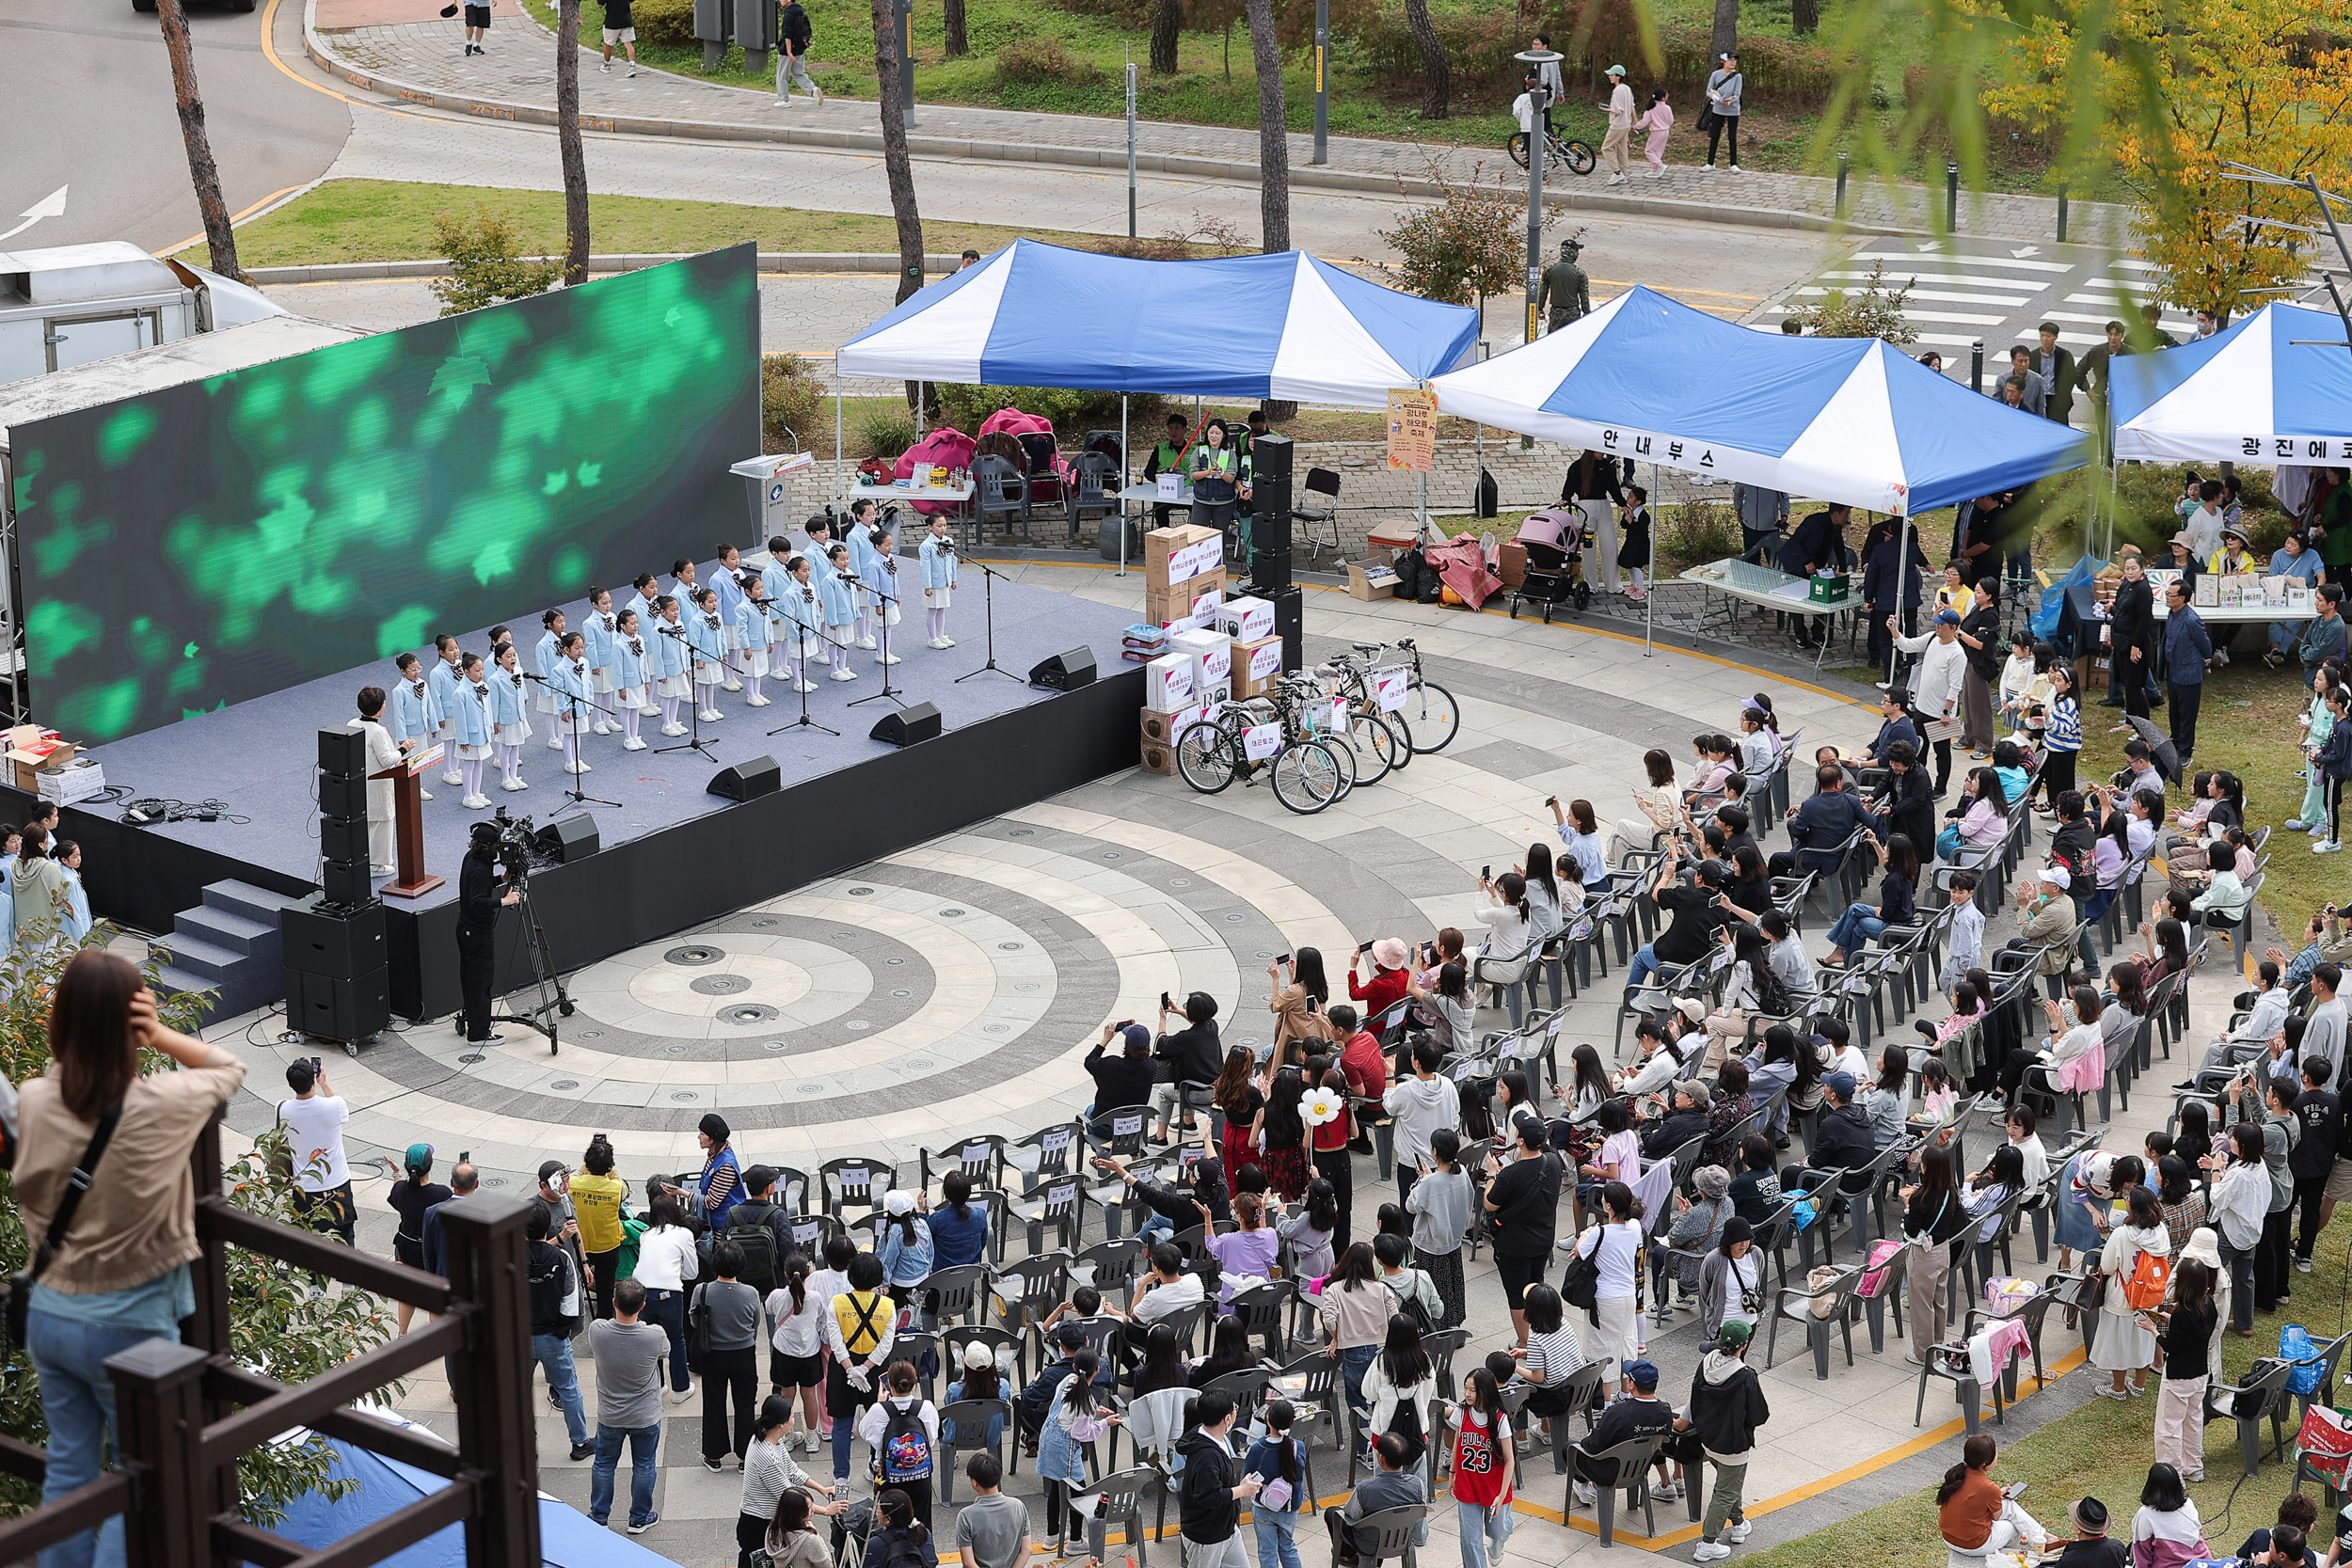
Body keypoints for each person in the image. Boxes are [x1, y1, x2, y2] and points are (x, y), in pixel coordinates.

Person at [14, 954, 245, 1566]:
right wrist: (161, 1032)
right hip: (133, 1326)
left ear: (61, 1022)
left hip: (50, 1312)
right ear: (132, 1024)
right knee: (138, 1484)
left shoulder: (35, 1100)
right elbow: (228, 1065)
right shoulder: (163, 1103)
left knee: (68, 1468)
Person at [1680, 1318, 1768, 1561]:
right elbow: (1759, 1414)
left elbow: (1694, 1397)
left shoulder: (1705, 1364)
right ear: (1745, 1344)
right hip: (1733, 1445)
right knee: (1724, 1491)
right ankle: (1707, 1544)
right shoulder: (1746, 1376)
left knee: (1730, 1485)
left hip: (1707, 1439)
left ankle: (1738, 1524)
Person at [589, 1278, 672, 1534]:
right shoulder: (654, 1335)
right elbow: (666, 1352)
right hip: (645, 1415)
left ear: (614, 1302)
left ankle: (599, 1516)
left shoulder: (597, 1331)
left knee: (603, 1464)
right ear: (643, 1305)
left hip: (610, 1415)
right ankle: (639, 1517)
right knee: (645, 1464)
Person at [1485, 1116, 1565, 1344]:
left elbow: (1490, 1203)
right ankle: (1541, 1337)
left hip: (1514, 1244)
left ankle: (1525, 1343)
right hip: (1543, 1239)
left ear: (1520, 1140)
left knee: (1517, 1296)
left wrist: (1492, 1175)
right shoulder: (1553, 1162)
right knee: (1536, 1288)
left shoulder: (1512, 1173)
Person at [525, 1206, 595, 1462]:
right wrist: (562, 1330)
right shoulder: (562, 1257)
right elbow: (571, 1298)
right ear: (547, 1229)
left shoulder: (507, 1257)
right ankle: (580, 1442)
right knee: (568, 1389)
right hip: (553, 1336)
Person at [694, 1240, 765, 1472]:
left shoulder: (702, 1290)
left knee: (713, 1403)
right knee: (745, 1404)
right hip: (744, 1353)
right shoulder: (750, 1293)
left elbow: (694, 1320)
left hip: (713, 1353)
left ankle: (714, 1456)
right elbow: (755, 1324)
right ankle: (745, 1457)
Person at [1569, 1359, 1677, 1507]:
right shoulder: (1665, 1411)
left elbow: (1593, 1446)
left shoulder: (1617, 1413)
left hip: (1610, 1472)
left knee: (1569, 1448)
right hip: (1641, 1469)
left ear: (1631, 1385)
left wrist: (1588, 1438)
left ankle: (1589, 1489)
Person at [277, 1056, 355, 1248]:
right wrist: (324, 1084)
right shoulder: (335, 1105)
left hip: (304, 1187)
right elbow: (341, 1113)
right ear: (314, 1080)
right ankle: (348, 1278)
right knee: (345, 1238)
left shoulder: (282, 1108)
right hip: (337, 1183)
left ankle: (311, 1278)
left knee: (309, 1245)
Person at [454, 820, 519, 1046]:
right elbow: (478, 901)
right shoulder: (481, 869)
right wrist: (505, 900)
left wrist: (500, 880)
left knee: (471, 980)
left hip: (466, 929)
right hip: (477, 933)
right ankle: (478, 1034)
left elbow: (477, 887)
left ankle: (476, 1020)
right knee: (481, 983)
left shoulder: (472, 858)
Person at [1180, 1391, 1262, 1568]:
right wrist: (1243, 1490)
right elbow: (1210, 1496)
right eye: (1235, 1409)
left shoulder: (1214, 1437)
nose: (1236, 1412)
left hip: (1227, 1528)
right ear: (1227, 1419)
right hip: (1206, 1537)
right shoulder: (1206, 1457)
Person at [2153, 1257, 2216, 1480]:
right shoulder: (2209, 1305)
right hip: (2200, 1373)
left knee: (2169, 1427)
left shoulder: (2182, 1313)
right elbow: (2195, 1332)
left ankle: (2173, 1473)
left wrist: (2153, 1330)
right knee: (2193, 1421)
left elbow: (2172, 1346)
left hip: (2178, 1377)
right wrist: (2169, 1319)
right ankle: (2193, 1467)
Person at [860, 1361, 941, 1529]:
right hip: (921, 1476)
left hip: (891, 1477)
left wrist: (879, 1403)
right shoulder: (926, 1407)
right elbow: (931, 1440)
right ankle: (923, 1551)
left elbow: (867, 1435)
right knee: (922, 1522)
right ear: (915, 1381)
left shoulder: (879, 1410)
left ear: (889, 1384)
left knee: (891, 1522)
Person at [1939, 1433, 2049, 1557]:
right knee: (2014, 1526)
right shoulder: (1988, 1487)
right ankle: (2012, 1560)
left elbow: (1971, 1500)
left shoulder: (1956, 1474)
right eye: (1995, 1454)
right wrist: (1997, 1495)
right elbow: (1997, 1517)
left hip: (1949, 1538)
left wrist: (1998, 1495)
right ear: (1984, 1463)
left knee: (2009, 1505)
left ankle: (2043, 1537)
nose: (1997, 1456)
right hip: (1973, 1545)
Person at [1327, 1432, 1423, 1567]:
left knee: (1332, 1513)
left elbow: (1351, 1516)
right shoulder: (1417, 1484)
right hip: (1403, 1539)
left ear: (1381, 1459)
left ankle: (1348, 1556)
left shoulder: (1364, 1488)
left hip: (1369, 1545)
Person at [1151, 991, 1223, 1142]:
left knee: (1165, 1092)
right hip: (1217, 1088)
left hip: (1199, 1094)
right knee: (1188, 1078)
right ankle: (1188, 1123)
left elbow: (1161, 1044)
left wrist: (1162, 1020)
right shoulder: (1212, 1026)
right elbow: (1197, 1021)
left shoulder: (1186, 1038)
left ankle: (1160, 1138)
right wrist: (1178, 1011)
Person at [2160, 577, 2212, 764]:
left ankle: (2185, 751)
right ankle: (2175, 742)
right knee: (2174, 711)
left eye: (2170, 595)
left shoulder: (2191, 619)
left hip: (2189, 674)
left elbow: (2204, 643)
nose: (2167, 597)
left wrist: (2206, 662)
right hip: (2173, 671)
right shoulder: (2172, 614)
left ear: (2182, 598)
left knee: (2187, 714)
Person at [952, 1452, 1028, 1568]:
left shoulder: (965, 1516)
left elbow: (968, 1563)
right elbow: (1027, 1549)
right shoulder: (1018, 1506)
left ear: (974, 1482)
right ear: (999, 1476)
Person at [2131, 1463, 2203, 1568]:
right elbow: (2200, 1532)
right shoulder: (2189, 1504)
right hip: (2202, 1562)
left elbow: (2142, 1553)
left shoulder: (2145, 1514)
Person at [1702, 52, 1742, 169]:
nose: (1733, 62)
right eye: (1730, 60)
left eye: (1734, 60)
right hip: (1718, 109)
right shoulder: (1716, 74)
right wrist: (1717, 98)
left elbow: (1737, 94)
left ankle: (1733, 164)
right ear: (1723, 62)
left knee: (1732, 137)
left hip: (1733, 110)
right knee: (1715, 136)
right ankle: (1710, 163)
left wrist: (1730, 100)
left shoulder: (1738, 76)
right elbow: (1709, 91)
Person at [1538, 239, 1589, 331]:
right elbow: (1584, 295)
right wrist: (1586, 312)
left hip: (1555, 313)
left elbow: (1543, 292)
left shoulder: (1549, 270)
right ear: (1572, 252)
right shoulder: (1579, 273)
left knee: (1553, 340)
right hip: (1573, 313)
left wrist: (1540, 308)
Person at [774, 0, 820, 102]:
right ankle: (813, 90)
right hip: (799, 48)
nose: (780, 0)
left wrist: (789, 51)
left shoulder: (789, 14)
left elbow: (787, 34)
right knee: (799, 73)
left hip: (788, 50)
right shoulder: (800, 11)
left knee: (781, 76)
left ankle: (784, 100)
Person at [1599, 64, 1634, 183]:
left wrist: (1607, 109)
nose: (1609, 77)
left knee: (1606, 148)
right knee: (1622, 149)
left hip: (1618, 125)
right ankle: (1623, 174)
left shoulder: (1617, 90)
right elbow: (1631, 106)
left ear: (1618, 76)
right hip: (1626, 124)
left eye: (1611, 75)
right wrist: (1635, 120)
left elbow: (1618, 110)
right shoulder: (1627, 88)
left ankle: (1617, 172)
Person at [1637, 88, 1674, 176]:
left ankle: (1660, 166)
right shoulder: (1667, 108)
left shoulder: (1651, 109)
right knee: (1658, 151)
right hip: (1665, 131)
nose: (1668, 96)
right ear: (1663, 98)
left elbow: (1645, 121)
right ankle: (1655, 170)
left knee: (1649, 151)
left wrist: (1635, 126)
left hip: (1656, 132)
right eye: (1666, 94)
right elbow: (1671, 120)